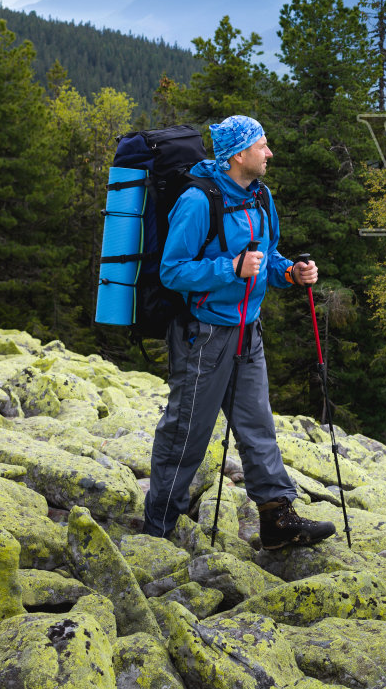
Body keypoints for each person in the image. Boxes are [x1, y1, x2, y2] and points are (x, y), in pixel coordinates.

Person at [141, 114, 336, 549]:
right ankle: (157, 528)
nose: (270, 153)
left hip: (248, 330)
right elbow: (172, 271)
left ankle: (277, 520)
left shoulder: (260, 196)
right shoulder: (197, 201)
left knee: (257, 426)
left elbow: (268, 256)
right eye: (262, 145)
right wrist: (229, 268)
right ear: (238, 154)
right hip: (203, 334)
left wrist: (291, 272)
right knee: (187, 433)